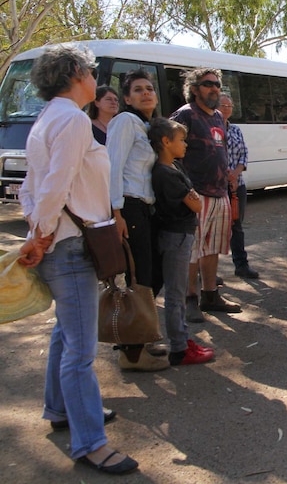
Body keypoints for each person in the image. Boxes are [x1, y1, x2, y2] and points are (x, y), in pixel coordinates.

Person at [18, 44, 139, 474]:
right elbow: (54, 185)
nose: (94, 77)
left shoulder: (46, 119)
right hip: (70, 246)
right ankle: (90, 442)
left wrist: (37, 233)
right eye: (89, 70)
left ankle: (60, 410)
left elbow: (29, 189)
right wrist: (43, 234)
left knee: (64, 336)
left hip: (61, 243)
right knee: (81, 351)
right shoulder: (70, 119)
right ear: (74, 73)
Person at [106, 69, 169, 372]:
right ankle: (131, 353)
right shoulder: (125, 122)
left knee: (153, 274)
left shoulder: (146, 126)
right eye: (138, 89)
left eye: (149, 88)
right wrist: (116, 212)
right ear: (127, 97)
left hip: (146, 210)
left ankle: (138, 339)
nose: (146, 93)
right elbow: (113, 167)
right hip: (129, 208)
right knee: (139, 277)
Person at [171, 68, 241, 322]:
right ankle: (190, 299)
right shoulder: (185, 114)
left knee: (211, 247)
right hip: (195, 194)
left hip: (219, 192)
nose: (214, 88)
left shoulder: (218, 116)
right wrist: (182, 188)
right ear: (194, 89)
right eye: (207, 84)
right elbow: (170, 152)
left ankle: (210, 295)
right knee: (193, 249)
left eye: (217, 84)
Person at [148, 118, 215, 365]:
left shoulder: (175, 167)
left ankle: (181, 341)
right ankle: (179, 346)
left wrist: (193, 198)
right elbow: (195, 203)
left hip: (182, 234)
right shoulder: (164, 173)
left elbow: (193, 198)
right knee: (176, 294)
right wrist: (193, 199)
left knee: (176, 291)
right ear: (166, 142)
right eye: (181, 140)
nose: (185, 145)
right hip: (175, 236)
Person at [220, 93, 260, 278]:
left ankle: (241, 265)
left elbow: (244, 153)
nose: (227, 109)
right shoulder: (209, 129)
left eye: (230, 105)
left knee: (237, 226)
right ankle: (206, 271)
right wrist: (226, 175)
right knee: (212, 227)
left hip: (238, 185)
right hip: (216, 185)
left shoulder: (235, 129)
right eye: (223, 105)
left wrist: (235, 174)